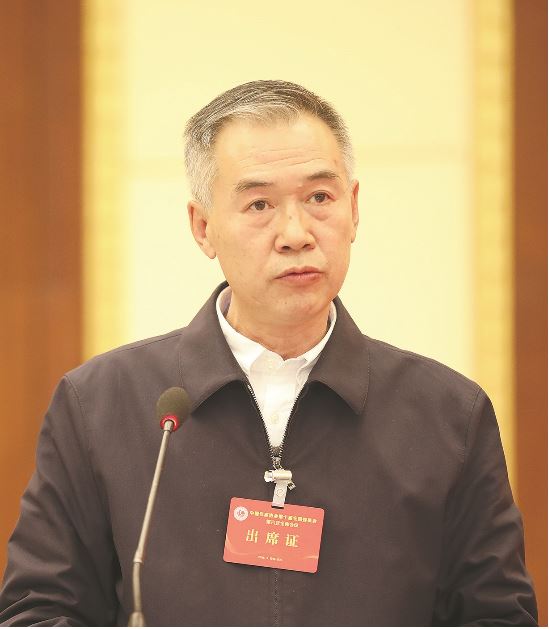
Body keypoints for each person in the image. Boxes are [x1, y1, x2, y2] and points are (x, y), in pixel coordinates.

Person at [0, 80, 537, 626]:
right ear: (203, 228)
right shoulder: (101, 405)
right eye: (259, 204)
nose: (296, 233)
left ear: (354, 208)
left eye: (319, 198)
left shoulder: (448, 416)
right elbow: (38, 612)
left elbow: (498, 616)